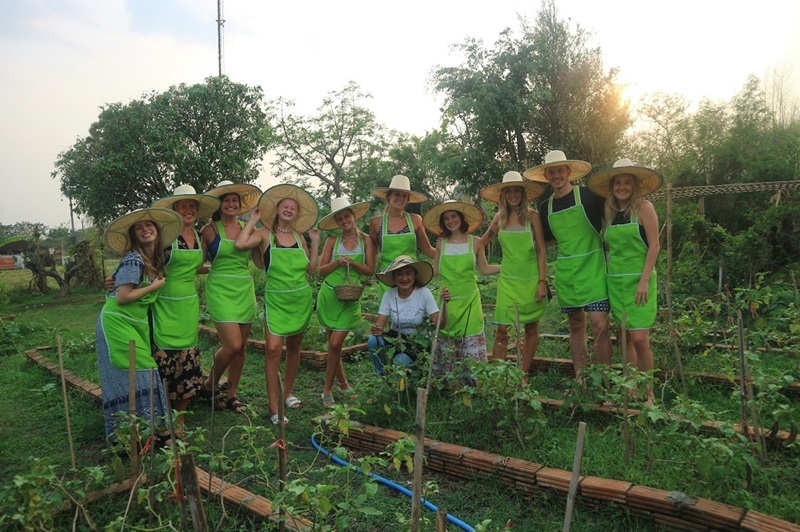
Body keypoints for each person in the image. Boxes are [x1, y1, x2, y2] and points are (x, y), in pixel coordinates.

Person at [235, 184, 319, 425]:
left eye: (293, 208)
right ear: (277, 210)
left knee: (295, 346)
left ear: (297, 214)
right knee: (273, 350)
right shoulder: (264, 235)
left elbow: (312, 269)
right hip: (276, 300)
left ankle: (288, 393)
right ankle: (273, 406)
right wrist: (253, 220)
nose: (289, 210)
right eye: (285, 206)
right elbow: (240, 244)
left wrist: (314, 242)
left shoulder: (299, 237)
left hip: (300, 299)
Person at [96, 208, 182, 441]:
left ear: (157, 229)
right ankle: (142, 432)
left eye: (149, 225)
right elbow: (123, 297)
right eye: (138, 227)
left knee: (137, 373)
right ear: (133, 235)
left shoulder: (153, 259)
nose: (145, 230)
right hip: (117, 322)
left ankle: (142, 433)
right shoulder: (134, 259)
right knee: (144, 370)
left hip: (131, 323)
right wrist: (154, 286)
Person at [524, 150, 611, 377]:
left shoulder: (590, 195)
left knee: (599, 325)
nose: (556, 176)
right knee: (576, 325)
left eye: (560, 171)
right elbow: (547, 240)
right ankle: (581, 376)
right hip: (566, 274)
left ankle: (604, 380)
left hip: (593, 269)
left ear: (569, 172)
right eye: (551, 172)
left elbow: (611, 221)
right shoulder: (546, 207)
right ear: (546, 176)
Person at [588, 159, 663, 404]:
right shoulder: (610, 213)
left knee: (640, 338)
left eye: (627, 182)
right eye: (617, 183)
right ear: (611, 187)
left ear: (635, 186)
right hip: (616, 283)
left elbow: (654, 246)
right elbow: (611, 247)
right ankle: (631, 385)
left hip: (640, 283)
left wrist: (644, 280)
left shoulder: (644, 208)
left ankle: (648, 391)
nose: (622, 187)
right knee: (625, 337)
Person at [149, 185, 220, 430]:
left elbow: (196, 267)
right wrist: (117, 279)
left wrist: (217, 268)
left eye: (192, 206)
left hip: (188, 304)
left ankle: (180, 418)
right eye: (183, 206)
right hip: (165, 304)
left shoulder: (197, 236)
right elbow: (147, 264)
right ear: (175, 209)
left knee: (187, 358)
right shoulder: (165, 237)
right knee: (167, 357)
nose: (188, 210)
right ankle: (162, 414)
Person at [200, 180, 262, 414]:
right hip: (220, 290)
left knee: (241, 346)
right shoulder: (209, 230)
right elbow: (198, 263)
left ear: (240, 205)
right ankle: (211, 383)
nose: (231, 204)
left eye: (235, 200)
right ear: (219, 204)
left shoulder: (249, 228)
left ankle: (231, 393)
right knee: (232, 344)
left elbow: (258, 262)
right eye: (226, 200)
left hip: (244, 289)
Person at [480, 172, 549, 376]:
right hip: (508, 283)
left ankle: (522, 375)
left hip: (531, 281)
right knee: (502, 330)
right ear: (503, 195)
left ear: (523, 193)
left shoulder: (532, 217)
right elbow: (481, 243)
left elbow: (541, 250)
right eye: (508, 191)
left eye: (516, 190)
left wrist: (542, 281)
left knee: (530, 329)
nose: (513, 194)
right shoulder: (498, 219)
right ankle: (497, 379)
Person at [423, 200, 497, 385]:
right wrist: (413, 274)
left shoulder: (476, 242)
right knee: (447, 340)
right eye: (446, 218)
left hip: (470, 299)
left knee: (470, 338)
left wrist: (506, 267)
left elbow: (484, 269)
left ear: (461, 218)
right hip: (447, 299)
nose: (450, 221)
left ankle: (474, 385)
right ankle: (449, 385)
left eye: (453, 216)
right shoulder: (441, 243)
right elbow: (435, 271)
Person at [316, 196, 375, 407]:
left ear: (353, 216)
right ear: (336, 222)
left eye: (346, 216)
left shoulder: (366, 240)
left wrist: (353, 264)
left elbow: (370, 270)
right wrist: (337, 262)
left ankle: (327, 389)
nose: (344, 221)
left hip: (350, 299)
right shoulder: (332, 241)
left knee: (335, 344)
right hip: (329, 295)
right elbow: (320, 270)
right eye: (339, 219)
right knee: (334, 346)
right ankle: (343, 384)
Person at [368, 255, 449, 378]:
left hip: (417, 342)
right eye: (399, 274)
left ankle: (407, 380)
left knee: (400, 362)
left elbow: (440, 325)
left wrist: (444, 305)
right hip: (395, 338)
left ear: (414, 275)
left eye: (408, 273)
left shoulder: (424, 293)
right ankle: (381, 374)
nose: (404, 278)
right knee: (373, 341)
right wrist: (376, 329)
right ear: (394, 277)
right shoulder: (389, 294)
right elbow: (380, 325)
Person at [369, 175, 435, 302]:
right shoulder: (376, 223)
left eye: (404, 195)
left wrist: (450, 251)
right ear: (388, 196)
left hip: (411, 281)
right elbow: (371, 254)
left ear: (408, 200)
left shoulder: (415, 220)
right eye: (397, 194)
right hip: (387, 282)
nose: (400, 198)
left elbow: (428, 250)